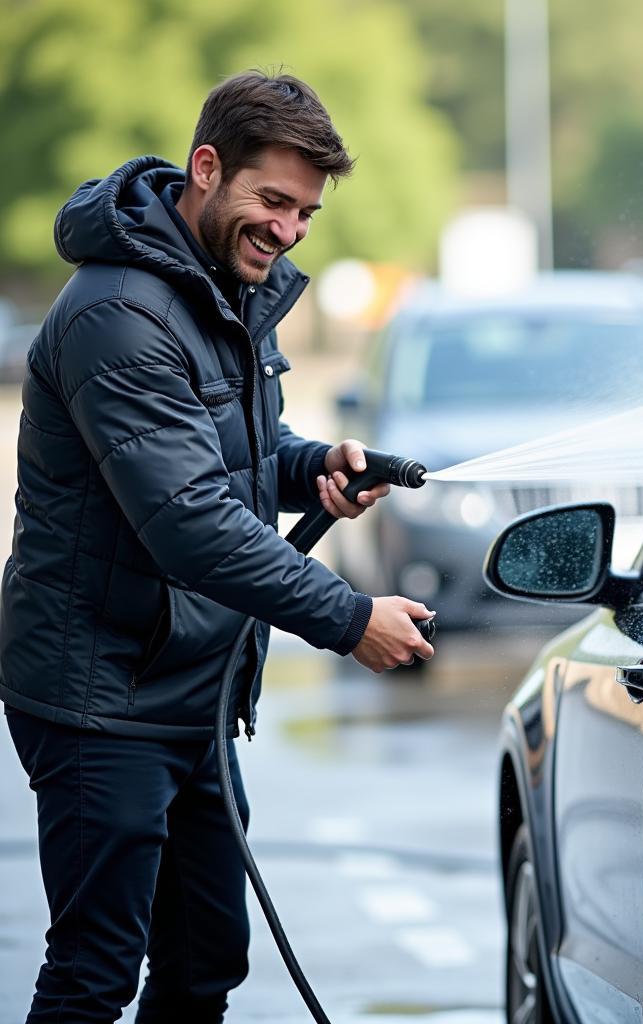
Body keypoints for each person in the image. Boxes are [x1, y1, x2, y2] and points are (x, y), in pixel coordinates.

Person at [0, 70, 433, 1023]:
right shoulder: (119, 312)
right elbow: (190, 521)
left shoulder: (221, 286)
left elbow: (224, 453)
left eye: (306, 214)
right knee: (95, 973)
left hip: (188, 692)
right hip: (97, 698)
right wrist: (349, 617)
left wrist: (312, 464)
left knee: (205, 964)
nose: (287, 232)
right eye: (272, 200)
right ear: (207, 168)